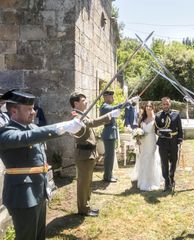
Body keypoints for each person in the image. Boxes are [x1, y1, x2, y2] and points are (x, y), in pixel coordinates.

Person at [0, 90, 83, 240]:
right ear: (13, 111)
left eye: (33, 108)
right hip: (22, 195)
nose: (33, 112)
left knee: (39, 235)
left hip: (38, 190)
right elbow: (26, 138)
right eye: (29, 109)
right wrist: (62, 126)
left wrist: (71, 127)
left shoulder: (31, 127)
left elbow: (40, 133)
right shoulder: (6, 132)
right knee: (27, 236)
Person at [69, 92, 121, 216]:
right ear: (76, 103)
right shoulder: (76, 117)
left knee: (87, 182)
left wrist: (110, 115)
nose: (86, 102)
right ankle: (83, 209)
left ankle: (86, 206)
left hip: (89, 153)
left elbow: (91, 122)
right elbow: (91, 123)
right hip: (84, 154)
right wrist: (109, 115)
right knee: (83, 183)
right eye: (83, 100)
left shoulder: (83, 115)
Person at [100, 90, 138, 182]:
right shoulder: (105, 107)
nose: (113, 98)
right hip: (109, 135)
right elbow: (116, 107)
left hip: (110, 134)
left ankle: (109, 174)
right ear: (105, 97)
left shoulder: (107, 106)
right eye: (111, 96)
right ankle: (107, 176)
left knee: (111, 156)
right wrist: (126, 103)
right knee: (109, 156)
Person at [131, 101, 162, 191]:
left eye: (150, 106)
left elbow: (158, 130)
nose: (148, 108)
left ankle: (151, 180)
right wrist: (137, 138)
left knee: (151, 158)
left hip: (151, 141)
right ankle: (143, 179)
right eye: (147, 106)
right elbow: (138, 129)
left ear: (153, 108)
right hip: (143, 142)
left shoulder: (156, 118)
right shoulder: (142, 118)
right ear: (145, 108)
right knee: (143, 158)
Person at [155, 97, 183, 191]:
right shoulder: (158, 115)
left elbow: (180, 127)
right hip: (163, 141)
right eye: (164, 104)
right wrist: (160, 133)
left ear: (170, 104)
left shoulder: (176, 114)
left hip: (173, 141)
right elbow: (156, 129)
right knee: (164, 162)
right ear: (162, 105)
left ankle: (171, 177)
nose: (165, 106)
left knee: (174, 160)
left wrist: (180, 139)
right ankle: (167, 181)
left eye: (167, 104)